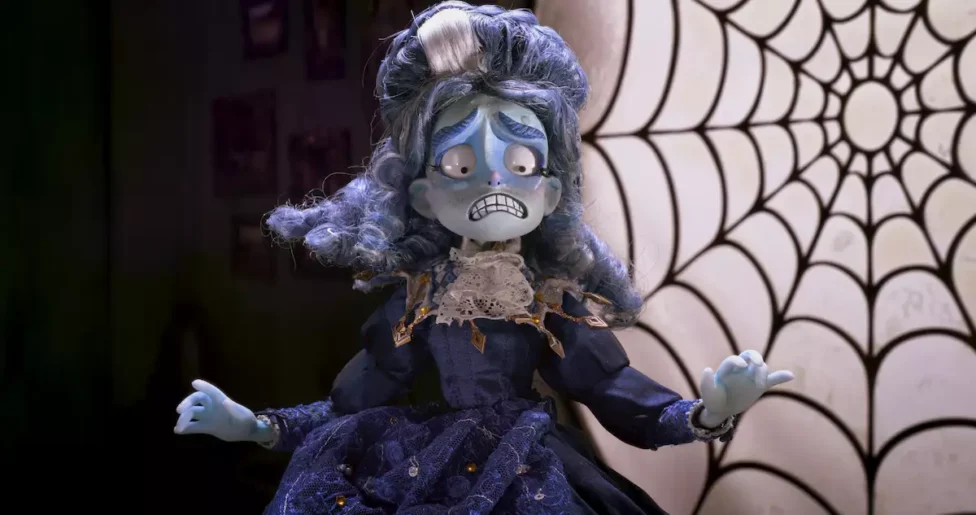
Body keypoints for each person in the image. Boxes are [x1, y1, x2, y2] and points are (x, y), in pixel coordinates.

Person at [174, 2, 794, 513]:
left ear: (549, 191)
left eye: (520, 163)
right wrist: (255, 425)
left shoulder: (546, 298)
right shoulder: (421, 297)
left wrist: (705, 412)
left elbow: (607, 387)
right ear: (423, 193)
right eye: (460, 164)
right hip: (423, 461)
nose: (494, 182)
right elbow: (354, 398)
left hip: (532, 466)